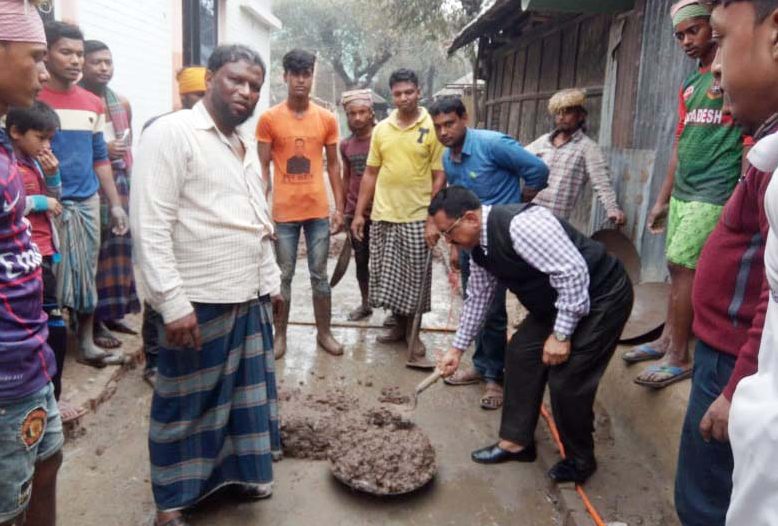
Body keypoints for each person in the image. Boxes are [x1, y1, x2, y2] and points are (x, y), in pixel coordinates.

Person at [131, 44, 282, 526]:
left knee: (241, 398)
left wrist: (272, 280)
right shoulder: (174, 134)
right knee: (186, 405)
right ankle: (171, 501)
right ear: (211, 77)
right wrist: (171, 303)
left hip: (247, 292)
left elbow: (257, 217)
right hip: (197, 298)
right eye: (235, 80)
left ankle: (231, 478)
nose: (245, 91)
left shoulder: (240, 143)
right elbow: (150, 224)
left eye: (254, 85)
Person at [433, 186, 633, 484]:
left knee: (567, 379)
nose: (448, 241)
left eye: (448, 232)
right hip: (556, 301)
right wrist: (457, 349)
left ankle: (580, 460)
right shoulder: (478, 249)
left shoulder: (523, 226)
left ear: (471, 218)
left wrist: (562, 335)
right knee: (520, 354)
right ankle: (517, 442)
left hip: (601, 293)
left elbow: (573, 273)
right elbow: (478, 298)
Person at [625, 1, 751, 388]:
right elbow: (680, 142)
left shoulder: (732, 77)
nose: (685, 41)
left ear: (712, 29)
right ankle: (666, 338)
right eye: (679, 35)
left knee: (684, 264)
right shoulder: (690, 84)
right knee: (675, 265)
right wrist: (663, 197)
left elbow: (747, 138)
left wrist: (743, 193)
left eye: (692, 31)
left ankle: (680, 355)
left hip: (715, 190)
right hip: (685, 189)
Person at [700, 1, 778, 524]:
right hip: (725, 356)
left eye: (720, 38)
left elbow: (766, 301)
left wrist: (734, 387)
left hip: (735, 362)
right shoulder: (766, 156)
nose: (714, 66)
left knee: (707, 494)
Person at [429, 96, 549, 410]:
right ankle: (482, 365)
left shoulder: (493, 145)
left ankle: (495, 376)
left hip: (501, 240)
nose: (444, 131)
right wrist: (457, 249)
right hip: (470, 242)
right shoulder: (448, 158)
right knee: (476, 304)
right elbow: (455, 201)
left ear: (464, 118)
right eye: (438, 126)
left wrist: (518, 202)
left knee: (494, 310)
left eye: (450, 123)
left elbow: (537, 170)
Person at [0, 3, 63, 525]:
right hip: (6, 371)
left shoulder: (4, 153)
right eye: (36, 57)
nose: (44, 72)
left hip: (31, 358)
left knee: (47, 465)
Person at [38, 21, 129, 368]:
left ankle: (87, 342)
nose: (75, 60)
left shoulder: (92, 103)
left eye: (79, 54)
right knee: (52, 276)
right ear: (46, 54)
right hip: (49, 206)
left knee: (88, 273)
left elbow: (100, 156)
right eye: (66, 52)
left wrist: (116, 206)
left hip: (88, 201)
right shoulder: (33, 100)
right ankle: (51, 343)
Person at [351, 68, 446, 369]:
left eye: (409, 92)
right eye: (398, 93)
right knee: (391, 278)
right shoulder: (382, 130)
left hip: (417, 214)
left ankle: (413, 334)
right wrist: (358, 214)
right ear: (392, 96)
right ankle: (399, 326)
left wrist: (433, 216)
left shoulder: (432, 126)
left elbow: (439, 174)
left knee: (416, 278)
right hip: (384, 214)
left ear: (419, 91)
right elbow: (370, 173)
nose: (403, 98)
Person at [257, 48, 345, 359]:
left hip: (318, 212)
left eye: (306, 74)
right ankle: (279, 335)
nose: (300, 81)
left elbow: (333, 166)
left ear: (312, 76)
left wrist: (340, 209)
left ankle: (325, 332)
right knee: (283, 276)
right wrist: (261, 212)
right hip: (284, 214)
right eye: (295, 74)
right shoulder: (269, 119)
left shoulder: (327, 119)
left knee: (320, 275)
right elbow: (263, 169)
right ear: (285, 77)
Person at [6, 101, 89, 425]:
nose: (47, 146)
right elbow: (14, 203)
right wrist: (41, 200)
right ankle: (49, 395)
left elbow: (54, 198)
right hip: (25, 255)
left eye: (50, 139)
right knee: (43, 324)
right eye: (41, 138)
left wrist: (52, 176)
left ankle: (53, 393)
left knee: (51, 320)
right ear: (15, 132)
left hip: (45, 249)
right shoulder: (8, 164)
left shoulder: (34, 162)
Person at [140, 65, 207, 388]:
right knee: (158, 299)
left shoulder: (211, 131)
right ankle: (153, 362)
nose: (203, 102)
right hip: (168, 229)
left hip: (194, 237)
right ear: (183, 95)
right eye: (197, 96)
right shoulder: (162, 128)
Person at [80, 39, 140, 348]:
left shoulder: (122, 103)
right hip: (90, 183)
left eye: (108, 62)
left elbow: (126, 143)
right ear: (83, 65)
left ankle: (116, 312)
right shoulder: (76, 101)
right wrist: (105, 149)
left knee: (120, 249)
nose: (104, 68)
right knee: (98, 253)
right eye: (96, 62)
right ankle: (97, 321)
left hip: (119, 182)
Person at [526, 89, 625, 225]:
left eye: (567, 112)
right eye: (558, 113)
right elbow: (518, 159)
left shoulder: (587, 147)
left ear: (581, 116)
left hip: (554, 221)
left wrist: (612, 209)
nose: (561, 117)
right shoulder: (543, 141)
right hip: (527, 213)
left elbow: (601, 181)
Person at [340, 89, 376, 321]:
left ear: (371, 113)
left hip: (383, 211)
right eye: (353, 113)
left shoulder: (382, 138)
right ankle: (366, 303)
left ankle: (395, 311)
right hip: (357, 214)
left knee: (386, 262)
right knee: (361, 261)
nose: (358, 118)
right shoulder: (346, 145)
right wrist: (346, 210)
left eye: (362, 112)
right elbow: (346, 176)